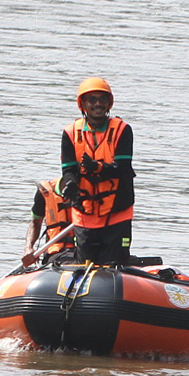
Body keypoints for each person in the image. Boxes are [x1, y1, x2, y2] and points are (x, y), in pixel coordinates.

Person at [54, 78, 135, 264]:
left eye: (102, 99)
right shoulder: (70, 133)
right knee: (84, 264)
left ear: (109, 104)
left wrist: (97, 167)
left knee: (113, 264)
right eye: (92, 99)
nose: (97, 104)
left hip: (117, 213)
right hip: (85, 213)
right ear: (82, 104)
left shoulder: (123, 131)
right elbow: (69, 169)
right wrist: (72, 184)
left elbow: (122, 168)